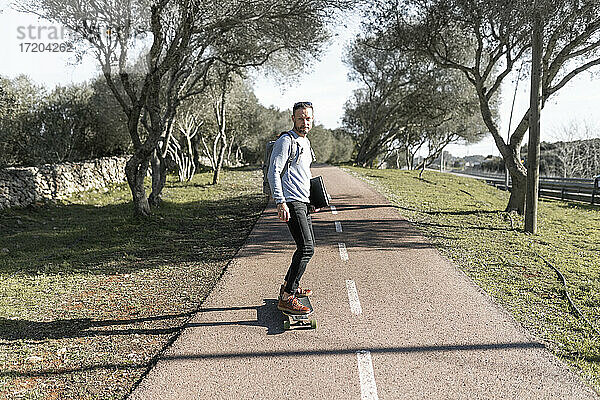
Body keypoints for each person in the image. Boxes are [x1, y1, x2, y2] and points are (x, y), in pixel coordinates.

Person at [268, 101, 317, 315]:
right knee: (306, 248)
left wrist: (313, 200)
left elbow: (305, 174)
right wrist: (280, 202)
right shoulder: (286, 141)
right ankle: (288, 296)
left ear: (312, 119)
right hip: (291, 200)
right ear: (293, 119)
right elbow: (273, 172)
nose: (304, 122)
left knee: (307, 246)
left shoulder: (305, 142)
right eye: (300, 118)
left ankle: (290, 286)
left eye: (308, 118)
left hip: (303, 201)